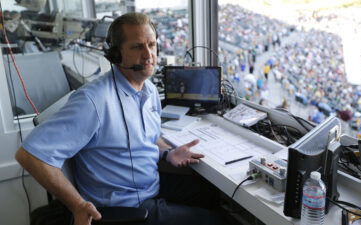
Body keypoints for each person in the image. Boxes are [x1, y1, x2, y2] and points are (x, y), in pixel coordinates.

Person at [15, 13, 225, 225]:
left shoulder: (149, 90)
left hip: (150, 185)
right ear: (115, 54)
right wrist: (77, 205)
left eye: (151, 45)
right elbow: (30, 155)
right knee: (217, 221)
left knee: (214, 196)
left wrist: (168, 153)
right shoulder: (93, 101)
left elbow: (149, 138)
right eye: (137, 47)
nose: (148, 55)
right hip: (126, 208)